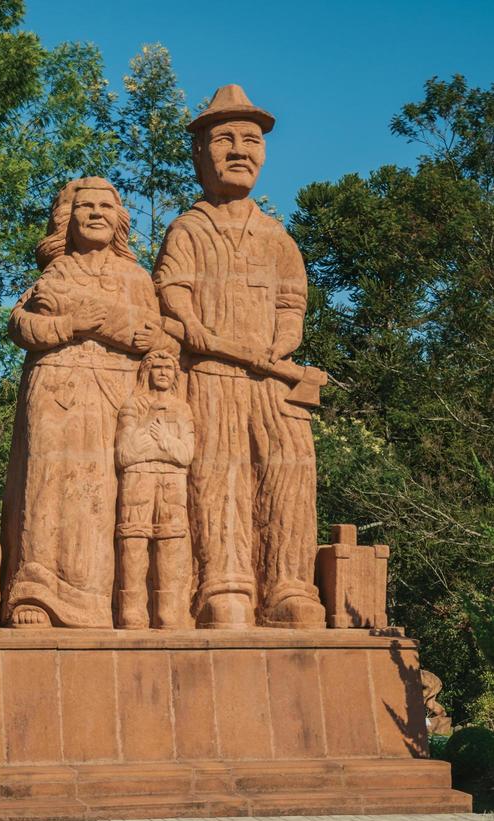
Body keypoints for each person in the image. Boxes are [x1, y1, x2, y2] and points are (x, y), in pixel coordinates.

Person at [153, 85, 326, 629]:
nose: (239, 149)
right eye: (224, 138)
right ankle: (223, 586)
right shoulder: (189, 228)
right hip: (211, 376)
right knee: (216, 474)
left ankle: (288, 586)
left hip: (273, 382)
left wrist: (283, 341)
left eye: (250, 140)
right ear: (200, 151)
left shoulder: (276, 235)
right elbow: (171, 292)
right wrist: (197, 329)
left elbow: (292, 301)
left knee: (288, 474)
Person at [0, 177, 166, 628]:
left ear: (118, 221)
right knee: (49, 485)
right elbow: (20, 324)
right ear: (66, 220)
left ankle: (106, 601)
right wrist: (71, 324)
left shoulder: (135, 278)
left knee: (107, 495)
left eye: (105, 206)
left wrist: (114, 325)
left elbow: (151, 334)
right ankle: (37, 593)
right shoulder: (55, 273)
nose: (95, 213)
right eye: (84, 206)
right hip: (57, 388)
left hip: (118, 394)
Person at [114, 350, 194, 629]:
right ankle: (132, 609)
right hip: (137, 479)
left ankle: (168, 610)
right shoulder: (133, 406)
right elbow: (125, 454)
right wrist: (155, 442)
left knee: (170, 540)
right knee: (133, 539)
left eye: (168, 368)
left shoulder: (182, 409)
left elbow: (186, 455)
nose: (162, 372)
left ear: (175, 374)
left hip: (172, 481)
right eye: (156, 367)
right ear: (146, 371)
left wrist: (165, 441)